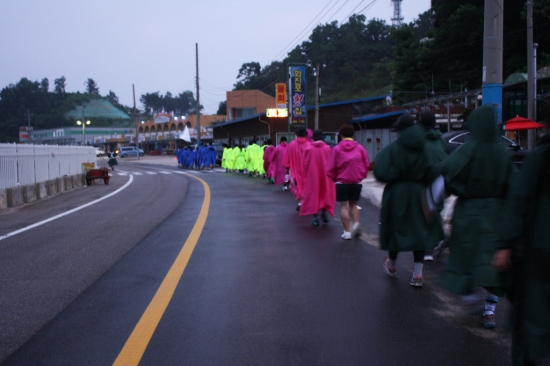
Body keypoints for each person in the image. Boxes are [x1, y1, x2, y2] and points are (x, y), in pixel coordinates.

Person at [438, 104, 515, 328]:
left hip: (467, 213)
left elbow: (446, 172)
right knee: (492, 265)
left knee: (465, 258)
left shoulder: (467, 149)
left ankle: (470, 298)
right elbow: (515, 187)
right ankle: (489, 311)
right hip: (495, 216)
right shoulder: (502, 153)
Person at [493, 120, 550, 364]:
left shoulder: (540, 157)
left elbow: (520, 201)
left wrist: (506, 244)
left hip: (539, 250)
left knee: (530, 319)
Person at [374, 114, 444, 286]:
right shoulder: (426, 148)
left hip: (396, 193)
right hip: (420, 193)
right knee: (419, 231)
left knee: (394, 230)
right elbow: (434, 171)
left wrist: (394, 175)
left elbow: (380, 171)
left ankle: (391, 265)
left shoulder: (393, 149)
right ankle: (418, 275)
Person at [326, 124, 370, 240]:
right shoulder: (360, 148)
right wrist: (361, 176)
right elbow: (366, 164)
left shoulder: (337, 149)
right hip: (356, 181)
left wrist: (335, 178)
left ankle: (347, 232)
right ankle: (355, 223)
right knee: (354, 205)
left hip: (342, 181)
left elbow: (330, 167)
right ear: (353, 134)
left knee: (344, 207)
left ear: (341, 135)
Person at [417, 109, 449, 261]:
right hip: (440, 179)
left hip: (424, 179)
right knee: (435, 210)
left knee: (424, 213)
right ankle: (439, 240)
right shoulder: (440, 139)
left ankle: (429, 249)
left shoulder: (418, 139)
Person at [301, 129, 335, 226]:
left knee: (313, 195)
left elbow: (304, 163)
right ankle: (324, 210)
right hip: (326, 176)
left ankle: (315, 218)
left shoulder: (308, 149)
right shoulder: (328, 148)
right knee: (325, 193)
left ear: (313, 139)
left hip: (312, 176)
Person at [283, 127, 310, 210]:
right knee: (307, 186)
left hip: (294, 169)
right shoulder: (309, 144)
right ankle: (306, 202)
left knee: (296, 186)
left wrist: (287, 167)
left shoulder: (291, 144)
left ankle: (300, 202)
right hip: (307, 170)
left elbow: (286, 157)